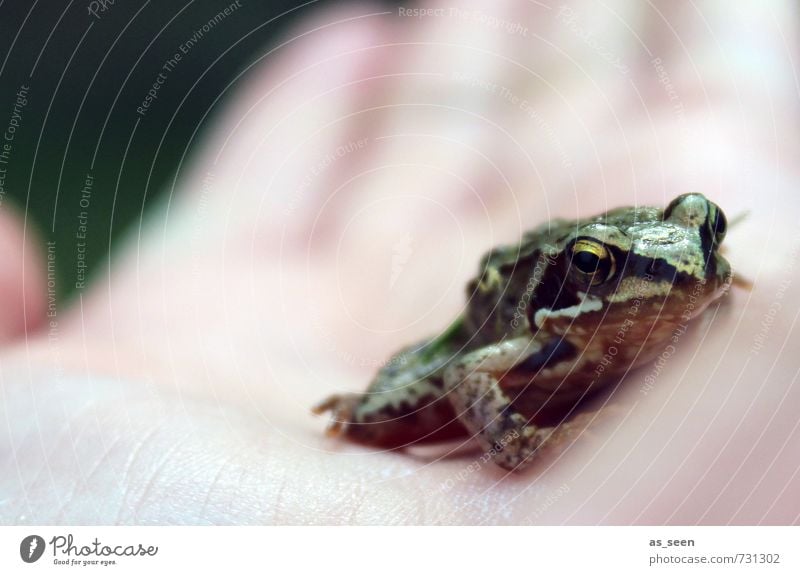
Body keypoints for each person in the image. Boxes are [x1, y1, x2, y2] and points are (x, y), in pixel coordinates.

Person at [2, 0, 798, 524]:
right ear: (575, 275)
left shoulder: (691, 270)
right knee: (378, 412)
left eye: (707, 229)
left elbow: (704, 278)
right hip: (475, 323)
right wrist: (532, 443)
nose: (692, 263)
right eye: (595, 264)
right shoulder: (534, 337)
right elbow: (467, 373)